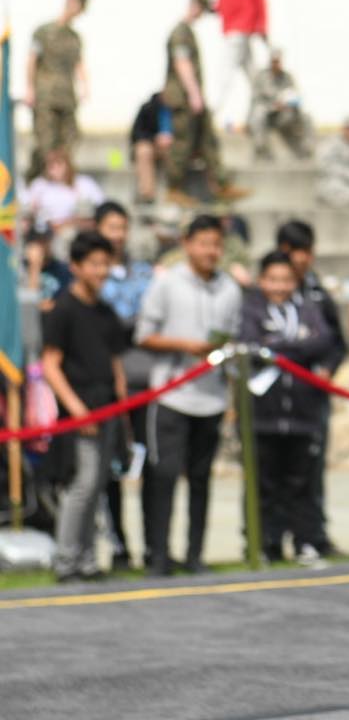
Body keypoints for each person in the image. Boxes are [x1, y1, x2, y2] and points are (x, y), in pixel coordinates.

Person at [135, 213, 242, 575]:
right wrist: (184, 345)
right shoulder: (167, 284)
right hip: (171, 395)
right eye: (203, 243)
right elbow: (144, 334)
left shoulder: (230, 288)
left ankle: (195, 553)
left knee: (201, 479)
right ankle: (159, 555)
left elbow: (233, 343)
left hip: (211, 398)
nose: (210, 251)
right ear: (187, 244)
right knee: (163, 476)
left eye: (216, 244)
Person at [238, 251, 335, 565]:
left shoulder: (307, 309)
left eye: (286, 280)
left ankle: (306, 540)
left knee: (302, 482)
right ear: (262, 280)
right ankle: (265, 542)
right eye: (273, 279)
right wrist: (297, 347)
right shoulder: (251, 309)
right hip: (264, 413)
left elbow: (324, 341)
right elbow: (251, 346)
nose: (279, 286)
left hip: (302, 413)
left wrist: (277, 346)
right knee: (264, 483)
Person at [41, 232, 126, 581]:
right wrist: (77, 409)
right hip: (80, 412)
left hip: (107, 409)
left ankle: (88, 558)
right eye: (94, 264)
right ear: (75, 267)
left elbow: (115, 361)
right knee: (83, 484)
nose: (101, 270)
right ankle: (66, 559)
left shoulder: (105, 312)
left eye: (106, 263)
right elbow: (50, 365)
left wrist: (121, 405)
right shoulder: (62, 309)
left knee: (98, 484)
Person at [276, 219, 346, 556]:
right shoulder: (267, 289)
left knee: (311, 469)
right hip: (274, 397)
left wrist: (328, 369)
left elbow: (336, 341)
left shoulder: (317, 293)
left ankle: (312, 535)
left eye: (307, 251)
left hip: (310, 395)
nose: (302, 260)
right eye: (294, 252)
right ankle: (271, 540)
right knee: (274, 472)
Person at [96, 201, 153, 568]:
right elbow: (112, 323)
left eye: (123, 227)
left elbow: (146, 319)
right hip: (109, 382)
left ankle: (153, 545)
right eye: (111, 227)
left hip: (147, 381)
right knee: (112, 470)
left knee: (152, 466)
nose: (118, 235)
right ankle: (118, 543)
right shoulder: (91, 275)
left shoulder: (144, 272)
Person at [161, 0, 245, 204]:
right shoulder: (180, 32)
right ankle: (174, 188)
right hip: (184, 98)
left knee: (208, 140)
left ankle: (221, 183)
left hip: (191, 97)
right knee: (182, 143)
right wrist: (194, 94)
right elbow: (182, 63)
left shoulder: (188, 31)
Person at [25, 0, 88, 180]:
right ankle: (37, 179)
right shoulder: (43, 31)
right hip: (46, 94)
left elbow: (79, 63)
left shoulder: (74, 37)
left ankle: (60, 179)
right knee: (46, 141)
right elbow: (32, 60)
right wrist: (29, 88)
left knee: (70, 138)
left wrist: (85, 86)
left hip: (67, 95)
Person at [215, 0, 269, 129]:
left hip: (241, 30)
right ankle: (257, 115)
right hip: (232, 29)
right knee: (252, 74)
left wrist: (262, 26)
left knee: (227, 71)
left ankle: (214, 110)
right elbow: (223, 3)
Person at [20, 149, 104, 240]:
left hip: (75, 230)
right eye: (51, 165)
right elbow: (27, 208)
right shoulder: (39, 185)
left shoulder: (83, 183)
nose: (55, 168)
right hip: (45, 231)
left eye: (59, 164)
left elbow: (101, 205)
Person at [247, 50, 314, 161]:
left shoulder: (288, 77)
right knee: (259, 113)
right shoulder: (261, 77)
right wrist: (273, 105)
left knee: (306, 117)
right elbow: (255, 99)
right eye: (273, 61)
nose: (276, 64)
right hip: (267, 115)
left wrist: (287, 104)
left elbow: (295, 96)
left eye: (278, 61)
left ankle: (306, 148)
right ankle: (261, 148)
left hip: (284, 115)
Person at [129, 92, 172, 207]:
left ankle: (175, 190)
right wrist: (155, 138)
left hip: (177, 148)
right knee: (143, 151)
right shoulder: (148, 108)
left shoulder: (186, 109)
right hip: (154, 145)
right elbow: (136, 133)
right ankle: (147, 195)